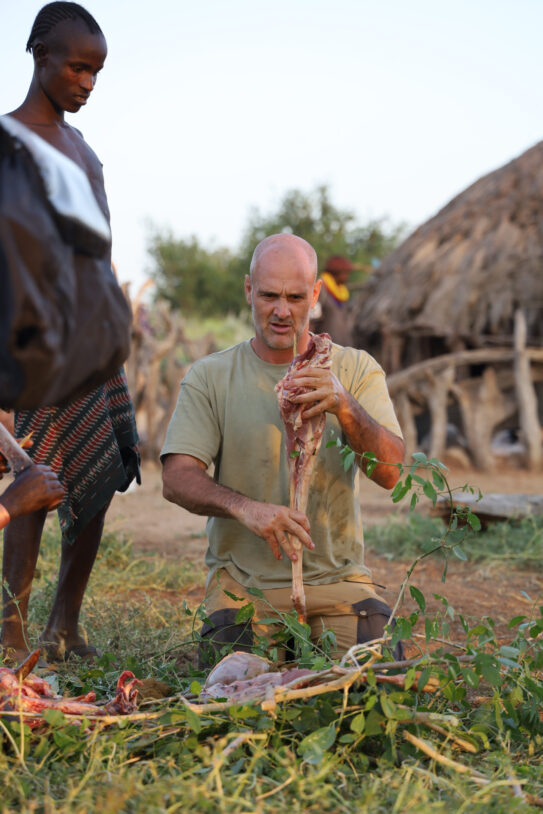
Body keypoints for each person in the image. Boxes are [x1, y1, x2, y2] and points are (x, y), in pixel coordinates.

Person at [161, 233, 405, 663]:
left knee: (374, 682)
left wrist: (345, 406)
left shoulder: (354, 369)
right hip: (244, 586)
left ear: (314, 295)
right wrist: (247, 509)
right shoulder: (210, 376)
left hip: (338, 580)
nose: (281, 311)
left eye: (295, 297)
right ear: (248, 290)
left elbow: (391, 473)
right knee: (236, 695)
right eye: (269, 295)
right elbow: (177, 478)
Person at [1, 2, 139, 664]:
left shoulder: (84, 152)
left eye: (97, 72)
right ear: (41, 58)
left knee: (99, 475)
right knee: (31, 487)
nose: (87, 82)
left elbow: (98, 251)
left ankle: (65, 622)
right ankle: (14, 629)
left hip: (90, 347)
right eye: (78, 67)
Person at [309, 254, 355, 346]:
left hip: (341, 348)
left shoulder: (341, 292)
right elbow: (312, 320)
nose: (347, 277)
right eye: (345, 273)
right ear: (336, 272)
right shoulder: (320, 290)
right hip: (324, 349)